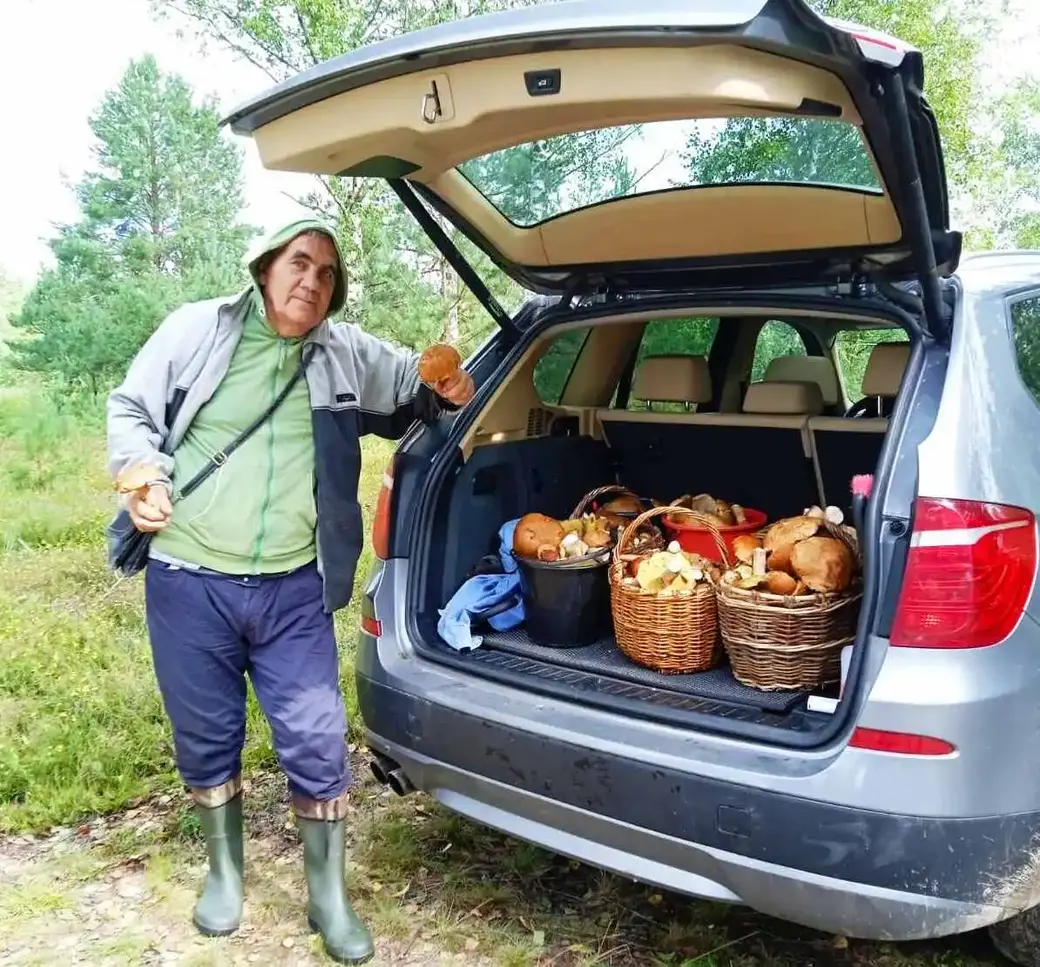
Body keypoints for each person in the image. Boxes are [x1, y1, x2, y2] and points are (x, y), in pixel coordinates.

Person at [106, 218, 474, 964]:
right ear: (266, 267)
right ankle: (224, 873)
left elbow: (415, 386)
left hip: (291, 586)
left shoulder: (345, 353)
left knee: (315, 738)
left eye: (328, 273)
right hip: (190, 578)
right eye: (300, 263)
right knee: (206, 733)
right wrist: (141, 475)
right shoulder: (196, 330)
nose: (312, 280)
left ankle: (328, 896)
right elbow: (131, 411)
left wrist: (449, 384)